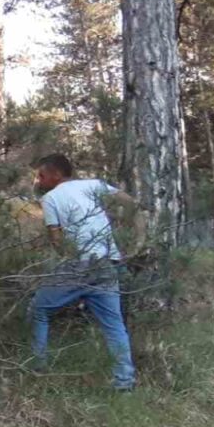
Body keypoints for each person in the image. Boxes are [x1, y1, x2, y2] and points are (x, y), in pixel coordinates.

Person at [30, 154, 147, 392]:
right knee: (114, 325)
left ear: (56, 175)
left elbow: (56, 238)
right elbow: (131, 203)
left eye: (41, 175)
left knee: (38, 310)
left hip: (78, 264)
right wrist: (138, 242)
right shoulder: (92, 185)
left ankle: (36, 368)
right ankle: (124, 382)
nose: (38, 180)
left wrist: (62, 259)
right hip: (106, 263)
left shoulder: (51, 198)